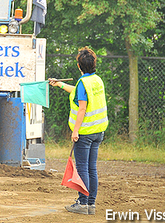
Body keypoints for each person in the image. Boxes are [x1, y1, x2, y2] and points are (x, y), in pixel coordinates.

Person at [49, 47, 108, 215]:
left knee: (82, 167)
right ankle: (90, 204)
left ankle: (82, 203)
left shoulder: (83, 83)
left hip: (85, 132)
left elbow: (82, 108)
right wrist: (59, 84)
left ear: (78, 65)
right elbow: (77, 92)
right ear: (93, 64)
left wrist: (75, 132)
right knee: (91, 168)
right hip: (98, 131)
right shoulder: (96, 80)